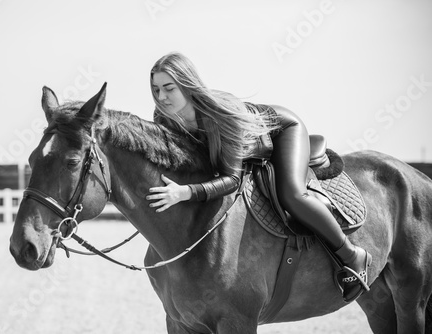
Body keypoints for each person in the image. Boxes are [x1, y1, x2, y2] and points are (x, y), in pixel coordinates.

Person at [145, 52, 371, 302]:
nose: (161, 97)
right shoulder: (163, 118)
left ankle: (351, 256)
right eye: (156, 89)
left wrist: (186, 192)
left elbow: (232, 180)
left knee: (293, 195)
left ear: (187, 85)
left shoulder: (217, 117)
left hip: (282, 131)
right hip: (246, 145)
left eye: (169, 88)